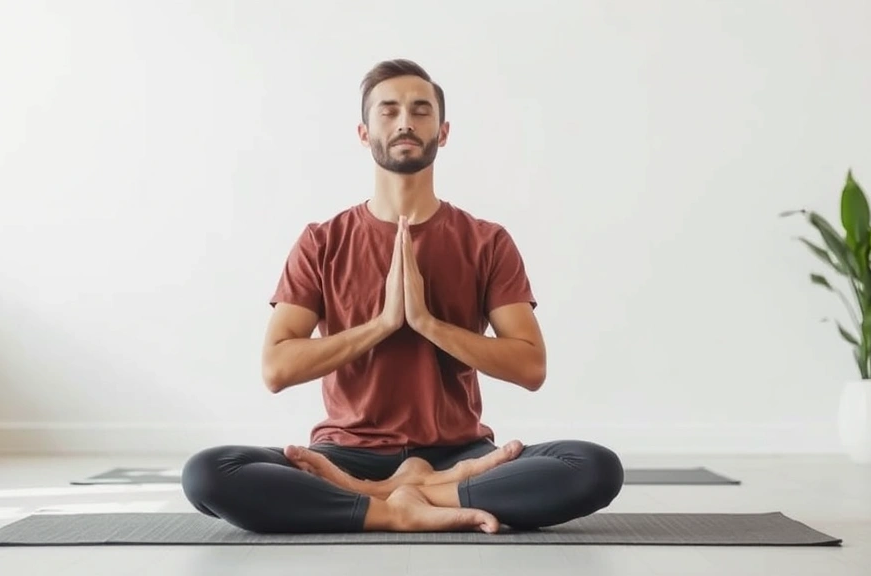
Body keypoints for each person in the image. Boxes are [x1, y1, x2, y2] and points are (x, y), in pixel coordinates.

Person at [181, 59, 624, 534]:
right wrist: (383, 324)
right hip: (345, 456)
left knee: (594, 466)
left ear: (444, 131)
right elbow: (276, 368)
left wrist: (428, 322)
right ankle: (395, 505)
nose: (405, 122)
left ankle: (397, 499)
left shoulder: (486, 241)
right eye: (388, 111)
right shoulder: (321, 241)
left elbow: (530, 366)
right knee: (209, 473)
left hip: (459, 455)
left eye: (420, 110)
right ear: (363, 131)